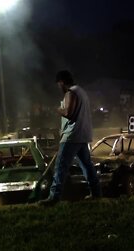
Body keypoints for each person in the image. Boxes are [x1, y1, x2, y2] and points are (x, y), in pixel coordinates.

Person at [39, 70, 102, 206]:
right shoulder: (82, 92)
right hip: (82, 135)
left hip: (71, 136)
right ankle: (96, 193)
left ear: (62, 82)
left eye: (58, 84)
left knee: (60, 166)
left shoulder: (71, 92)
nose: (59, 88)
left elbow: (69, 113)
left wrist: (57, 109)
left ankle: (53, 197)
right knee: (87, 166)